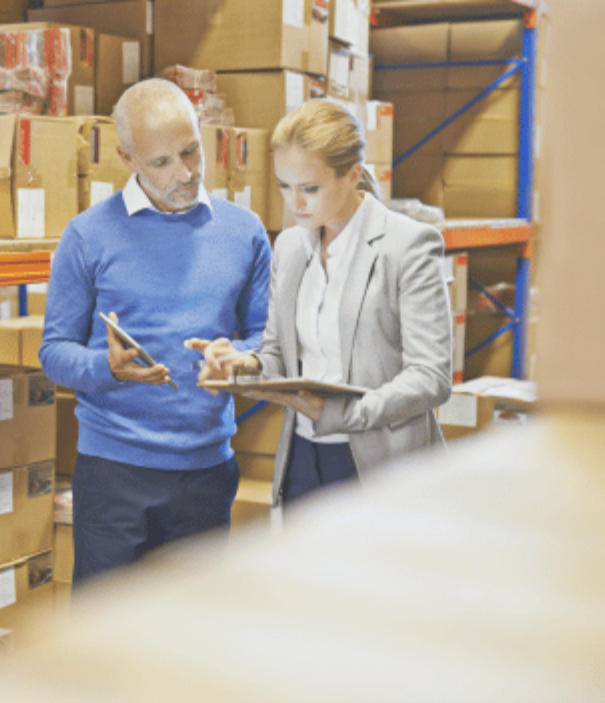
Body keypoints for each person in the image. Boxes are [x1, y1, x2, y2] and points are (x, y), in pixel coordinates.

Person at [39, 79, 271, 585]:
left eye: (191, 151)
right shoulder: (87, 236)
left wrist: (241, 360)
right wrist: (108, 368)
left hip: (207, 473)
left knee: (188, 644)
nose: (184, 173)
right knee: (105, 644)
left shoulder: (245, 232)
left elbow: (265, 340)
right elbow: (54, 352)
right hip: (113, 475)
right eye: (161, 163)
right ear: (126, 158)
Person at [197, 99, 452, 507]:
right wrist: (244, 366)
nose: (293, 202)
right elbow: (278, 354)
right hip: (302, 457)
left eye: (309, 188)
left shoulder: (407, 246)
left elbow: (430, 377)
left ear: (352, 176)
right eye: (284, 185)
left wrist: (346, 415)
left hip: (380, 467)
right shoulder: (291, 246)